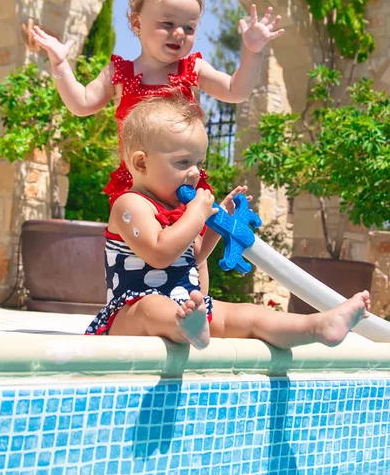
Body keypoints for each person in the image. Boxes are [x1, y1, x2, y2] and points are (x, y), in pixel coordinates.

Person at [84, 92, 370, 350]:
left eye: (199, 162)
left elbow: (193, 256)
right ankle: (186, 326)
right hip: (130, 315)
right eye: (183, 162)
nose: (195, 172)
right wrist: (196, 215)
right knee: (153, 307)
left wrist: (214, 224)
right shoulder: (130, 205)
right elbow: (160, 253)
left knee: (248, 314)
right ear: (142, 163)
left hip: (186, 308)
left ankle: (317, 327)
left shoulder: (181, 211)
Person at [30, 0, 285, 206]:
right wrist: (61, 65)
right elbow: (81, 104)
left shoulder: (192, 69)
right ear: (137, 23)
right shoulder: (118, 73)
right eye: (168, 23)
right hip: (137, 186)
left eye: (189, 27)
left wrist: (252, 52)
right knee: (140, 249)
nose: (179, 33)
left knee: (191, 252)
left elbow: (235, 90)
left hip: (185, 184)